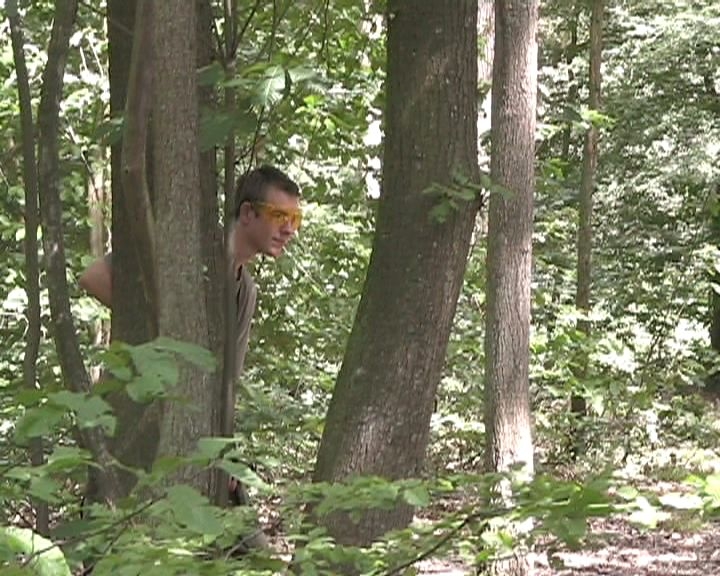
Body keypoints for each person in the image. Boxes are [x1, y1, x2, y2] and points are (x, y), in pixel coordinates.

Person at [79, 164, 302, 503]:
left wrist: (225, 450)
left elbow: (227, 380)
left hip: (188, 436)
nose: (289, 230)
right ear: (247, 213)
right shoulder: (187, 248)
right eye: (279, 216)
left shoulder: (245, 291)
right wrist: (168, 329)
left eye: (295, 220)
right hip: (135, 417)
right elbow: (94, 278)